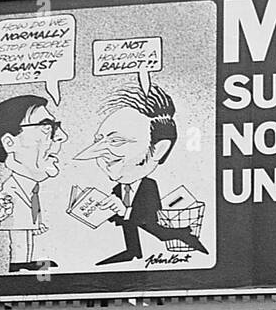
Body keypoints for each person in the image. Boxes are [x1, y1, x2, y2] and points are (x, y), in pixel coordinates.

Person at [74, 84, 207, 265]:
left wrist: (124, 210)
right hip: (130, 222)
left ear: (158, 150)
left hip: (152, 225)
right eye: (98, 141)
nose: (100, 152)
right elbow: (116, 212)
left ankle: (183, 234)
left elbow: (149, 216)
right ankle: (132, 251)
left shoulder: (148, 186)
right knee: (129, 229)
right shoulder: (118, 186)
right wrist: (95, 208)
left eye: (116, 141)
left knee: (159, 234)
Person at [0, 95, 66, 272]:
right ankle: (17, 264)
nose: (61, 136)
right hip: (16, 221)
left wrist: (38, 222)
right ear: (9, 142)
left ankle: (25, 262)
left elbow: (32, 203)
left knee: (26, 238)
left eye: (54, 127)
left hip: (26, 221)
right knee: (19, 239)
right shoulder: (11, 187)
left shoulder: (31, 187)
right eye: (46, 127)